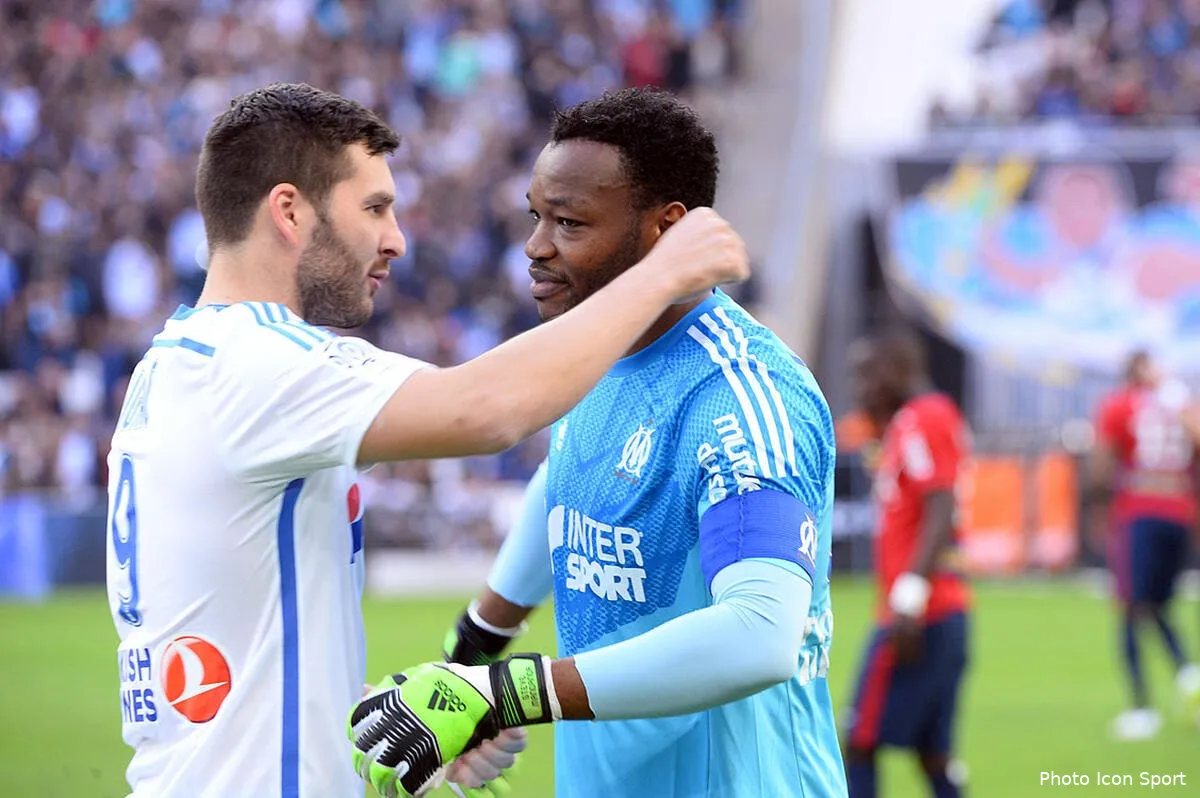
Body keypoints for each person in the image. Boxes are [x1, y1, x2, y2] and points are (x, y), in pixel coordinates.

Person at [104, 82, 749, 798]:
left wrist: (411, 722)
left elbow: (249, 639)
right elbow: (489, 410)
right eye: (374, 207)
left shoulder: (174, 363)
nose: (396, 238)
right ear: (289, 211)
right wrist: (662, 273)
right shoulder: (255, 364)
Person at [347, 87, 847, 798]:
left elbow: (760, 633)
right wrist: (473, 652)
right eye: (536, 215)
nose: (535, 246)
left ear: (665, 231)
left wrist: (508, 691)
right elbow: (569, 480)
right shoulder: (593, 352)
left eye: (570, 223)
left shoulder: (744, 395)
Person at [842, 333, 971, 798]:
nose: (863, 389)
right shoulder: (911, 420)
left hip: (918, 612)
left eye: (868, 376)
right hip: (939, 610)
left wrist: (910, 594)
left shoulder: (924, 417)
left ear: (896, 370)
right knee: (932, 753)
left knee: (858, 741)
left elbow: (941, 505)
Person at [1091, 350, 1200, 740]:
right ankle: (1189, 676)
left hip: (1139, 511)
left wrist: (1097, 507)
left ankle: (1141, 709)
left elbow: (1101, 465)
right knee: (1157, 606)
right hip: (1180, 512)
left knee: (1129, 606)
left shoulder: (1121, 405)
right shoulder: (1179, 403)